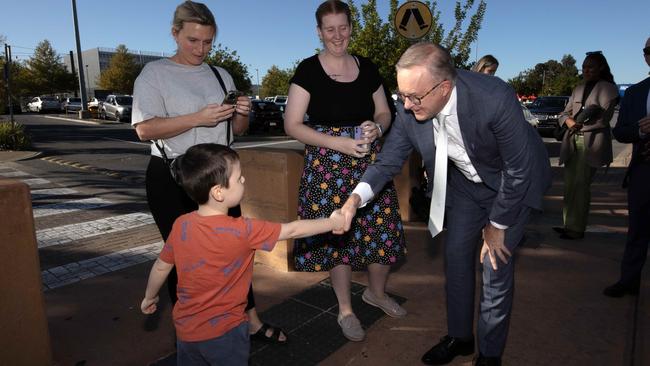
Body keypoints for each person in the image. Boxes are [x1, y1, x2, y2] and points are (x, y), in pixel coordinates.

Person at [338, 42, 551, 366]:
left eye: (414, 97)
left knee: (494, 267)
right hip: (467, 185)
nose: (406, 106)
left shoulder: (493, 98)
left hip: (512, 185)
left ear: (445, 87)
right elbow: (387, 162)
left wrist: (497, 225)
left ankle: (490, 356)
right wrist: (354, 199)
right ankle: (460, 337)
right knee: (456, 258)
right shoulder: (411, 104)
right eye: (402, 95)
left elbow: (518, 170)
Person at [132, 1, 287, 344]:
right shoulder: (154, 74)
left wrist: (241, 112)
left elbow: (239, 131)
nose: (200, 49)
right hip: (174, 178)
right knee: (183, 260)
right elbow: (144, 130)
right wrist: (197, 118)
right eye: (192, 41)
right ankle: (189, 335)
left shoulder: (220, 74)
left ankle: (251, 321)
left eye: (207, 42)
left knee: (235, 252)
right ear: (174, 34)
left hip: (219, 178)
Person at [140, 144, 345, 365]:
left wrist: (149, 296)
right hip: (226, 333)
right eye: (239, 178)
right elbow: (293, 229)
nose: (244, 181)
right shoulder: (244, 230)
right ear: (218, 192)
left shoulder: (181, 225)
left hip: (186, 332)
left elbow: (162, 266)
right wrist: (332, 222)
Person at [283, 0, 407, 342]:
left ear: (351, 27)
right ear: (319, 32)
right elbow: (292, 124)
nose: (338, 35)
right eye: (330, 29)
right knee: (338, 236)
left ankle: (376, 293)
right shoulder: (308, 70)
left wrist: (377, 129)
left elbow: (385, 113)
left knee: (383, 231)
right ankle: (345, 309)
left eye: (343, 27)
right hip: (327, 166)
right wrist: (336, 143)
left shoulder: (367, 68)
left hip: (369, 163)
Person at [553, 52, 619, 240]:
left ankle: (575, 229)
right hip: (571, 140)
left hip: (590, 143)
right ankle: (569, 225)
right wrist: (569, 122)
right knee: (569, 186)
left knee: (581, 187)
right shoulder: (578, 88)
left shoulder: (608, 89)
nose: (586, 70)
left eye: (590, 67)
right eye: (584, 67)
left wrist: (580, 125)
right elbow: (564, 113)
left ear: (601, 68)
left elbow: (604, 120)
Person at [603, 37, 650, 297]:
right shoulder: (635, 92)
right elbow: (620, 132)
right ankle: (629, 280)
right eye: (648, 50)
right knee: (637, 231)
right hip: (643, 171)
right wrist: (640, 131)